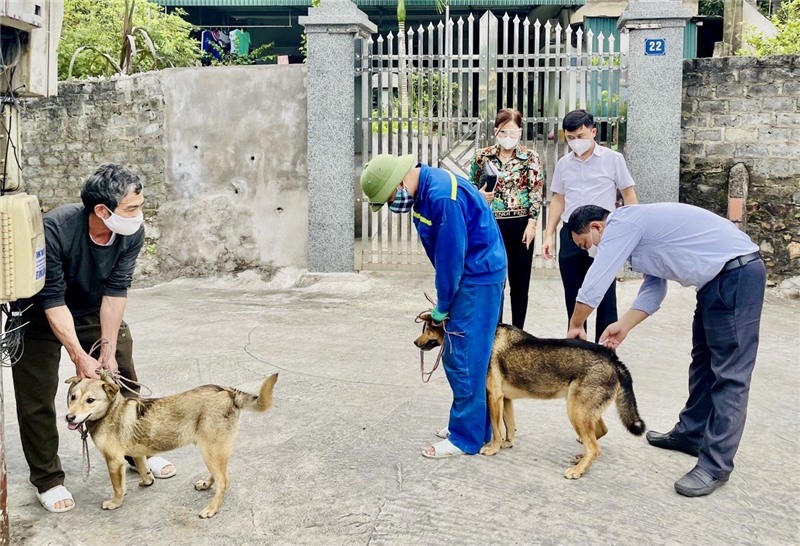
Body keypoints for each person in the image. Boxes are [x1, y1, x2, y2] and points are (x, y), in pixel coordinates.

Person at [564, 203, 766, 497]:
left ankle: (715, 465)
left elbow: (596, 281)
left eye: (585, 243)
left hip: (736, 275)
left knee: (730, 376)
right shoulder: (638, 235)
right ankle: (690, 434)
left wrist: (576, 325)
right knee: (703, 364)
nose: (589, 250)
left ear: (596, 227)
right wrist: (625, 325)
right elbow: (654, 288)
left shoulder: (623, 224)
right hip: (715, 282)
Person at [12, 164, 176, 513]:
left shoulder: (131, 232)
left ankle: (137, 453)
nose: (139, 214)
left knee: (124, 379)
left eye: (140, 206)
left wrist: (107, 348)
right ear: (102, 210)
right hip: (38, 313)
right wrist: (78, 354)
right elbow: (52, 298)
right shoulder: (56, 229)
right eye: (131, 208)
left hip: (90, 306)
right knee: (36, 397)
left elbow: (117, 289)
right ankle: (48, 479)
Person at [360, 154, 507, 458]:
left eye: (388, 197)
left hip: (476, 277)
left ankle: (465, 438)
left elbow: (450, 259)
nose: (392, 204)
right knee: (467, 355)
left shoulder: (441, 197)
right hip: (473, 274)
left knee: (464, 357)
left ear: (398, 183)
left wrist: (443, 305)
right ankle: (473, 426)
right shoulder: (427, 191)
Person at [542, 109, 638, 342]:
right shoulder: (564, 164)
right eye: (571, 138)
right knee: (573, 292)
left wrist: (632, 230)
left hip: (603, 233)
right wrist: (548, 234)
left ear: (593, 132)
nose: (577, 142)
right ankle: (576, 343)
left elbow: (628, 194)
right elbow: (557, 199)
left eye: (581, 136)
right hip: (571, 233)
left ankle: (605, 348)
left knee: (605, 293)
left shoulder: (613, 159)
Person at [469, 108, 544, 330]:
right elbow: (470, 187)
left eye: (513, 133)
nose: (508, 137)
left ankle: (518, 331)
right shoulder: (482, 156)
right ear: (496, 131)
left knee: (520, 284)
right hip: (492, 224)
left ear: (520, 132)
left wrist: (532, 223)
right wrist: (480, 195)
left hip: (521, 225)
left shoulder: (530, 157)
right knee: (496, 280)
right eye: (504, 132)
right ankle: (497, 329)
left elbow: (536, 192)